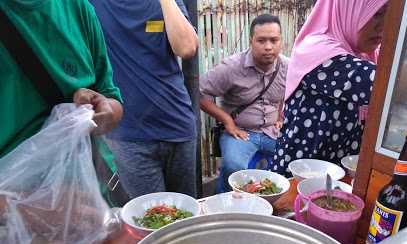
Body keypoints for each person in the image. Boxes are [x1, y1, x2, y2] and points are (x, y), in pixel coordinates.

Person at [90, 0, 199, 199]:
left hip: (178, 124)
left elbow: (186, 48)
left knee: (186, 216)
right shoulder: (93, 4)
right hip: (128, 134)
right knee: (148, 221)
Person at [272, 0, 388, 177]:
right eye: (377, 14)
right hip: (300, 174)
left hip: (339, 175)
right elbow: (381, 85)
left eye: (389, 15)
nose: (384, 26)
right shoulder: (317, 50)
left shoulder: (367, 54)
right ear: (347, 9)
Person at [0, 0, 123, 158]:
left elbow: (110, 96)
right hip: (13, 177)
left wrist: (104, 113)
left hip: (87, 175)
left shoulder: (78, 7)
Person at [200, 14, 288, 193]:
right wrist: (227, 121)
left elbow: (292, 94)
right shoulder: (231, 68)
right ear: (251, 40)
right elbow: (200, 94)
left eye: (274, 40)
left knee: (292, 161)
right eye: (261, 40)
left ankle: (274, 206)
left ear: (281, 41)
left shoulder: (288, 67)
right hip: (240, 133)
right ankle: (226, 205)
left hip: (273, 131)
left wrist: (281, 115)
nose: (268, 47)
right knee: (234, 167)